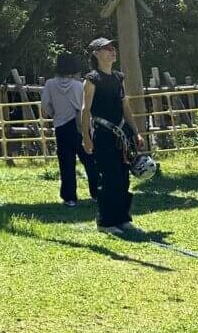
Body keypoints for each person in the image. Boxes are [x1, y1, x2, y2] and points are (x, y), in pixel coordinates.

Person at [80, 37, 142, 232]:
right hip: (103, 133)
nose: (112, 51)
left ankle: (123, 218)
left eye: (112, 47)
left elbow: (125, 106)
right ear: (96, 54)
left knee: (123, 176)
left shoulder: (118, 78)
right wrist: (86, 137)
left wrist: (136, 132)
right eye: (106, 49)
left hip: (122, 134)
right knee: (108, 177)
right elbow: (85, 110)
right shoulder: (92, 79)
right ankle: (106, 222)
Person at [41, 52, 98, 207]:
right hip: (79, 125)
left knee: (66, 163)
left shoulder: (50, 84)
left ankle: (69, 197)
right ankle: (96, 192)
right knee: (90, 160)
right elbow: (87, 107)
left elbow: (45, 105)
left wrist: (54, 113)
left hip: (60, 125)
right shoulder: (79, 85)